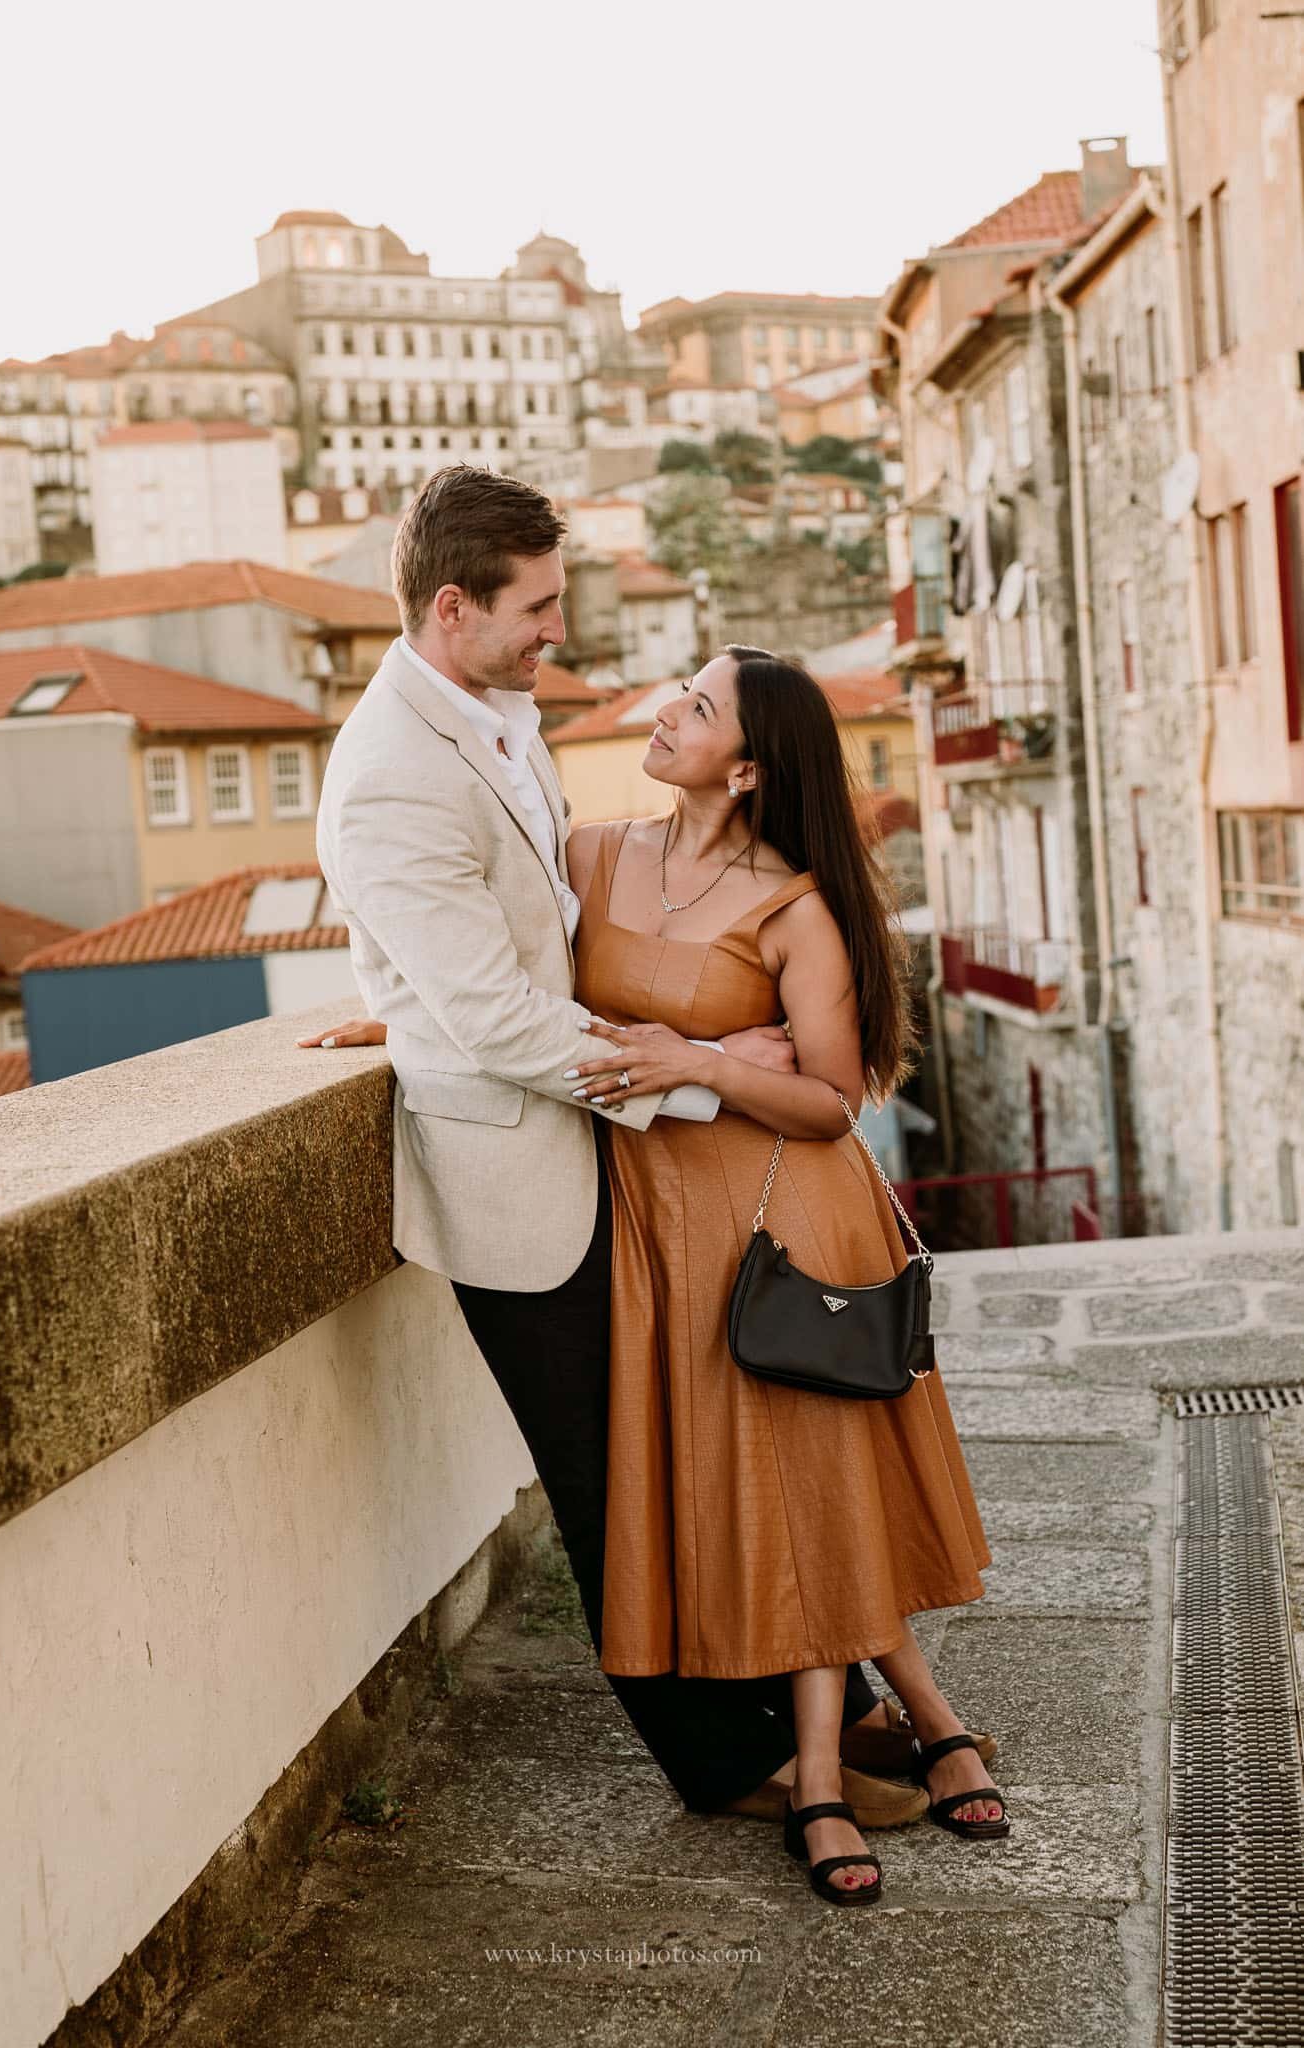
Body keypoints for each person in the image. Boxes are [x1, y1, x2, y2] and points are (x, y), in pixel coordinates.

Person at [306, 464, 985, 1850]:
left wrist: (414, 997)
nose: (560, 631)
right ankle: (729, 1760)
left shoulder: (493, 715)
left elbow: (528, 939)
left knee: (692, 1461)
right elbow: (499, 1013)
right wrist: (704, 1077)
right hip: (519, 1182)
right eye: (538, 607)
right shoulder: (388, 774)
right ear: (453, 606)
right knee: (606, 1485)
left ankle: (813, 1702)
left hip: (616, 1177)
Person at [560, 647, 1005, 1902]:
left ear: (748, 768)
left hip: (784, 1216)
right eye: (680, 689)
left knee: (807, 1487)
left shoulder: (796, 907)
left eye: (697, 706)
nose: (665, 710)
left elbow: (829, 1099)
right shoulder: (588, 854)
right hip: (659, 1223)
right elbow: (511, 991)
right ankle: (928, 1716)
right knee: (780, 1495)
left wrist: (692, 1061)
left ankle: (817, 1777)